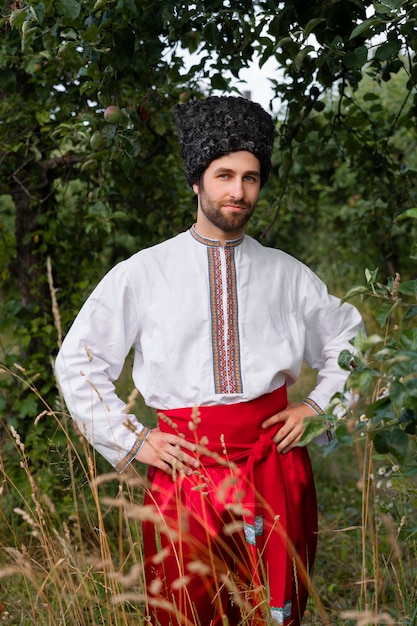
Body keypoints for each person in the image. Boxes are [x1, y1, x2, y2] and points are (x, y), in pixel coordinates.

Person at [55, 95, 363, 626]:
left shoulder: (289, 274)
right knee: (186, 608)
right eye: (224, 175)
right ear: (197, 181)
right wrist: (134, 439)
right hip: (185, 469)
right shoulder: (144, 273)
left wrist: (318, 407)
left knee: (271, 609)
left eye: (250, 177)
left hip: (273, 463)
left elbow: (350, 344)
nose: (238, 191)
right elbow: (78, 362)